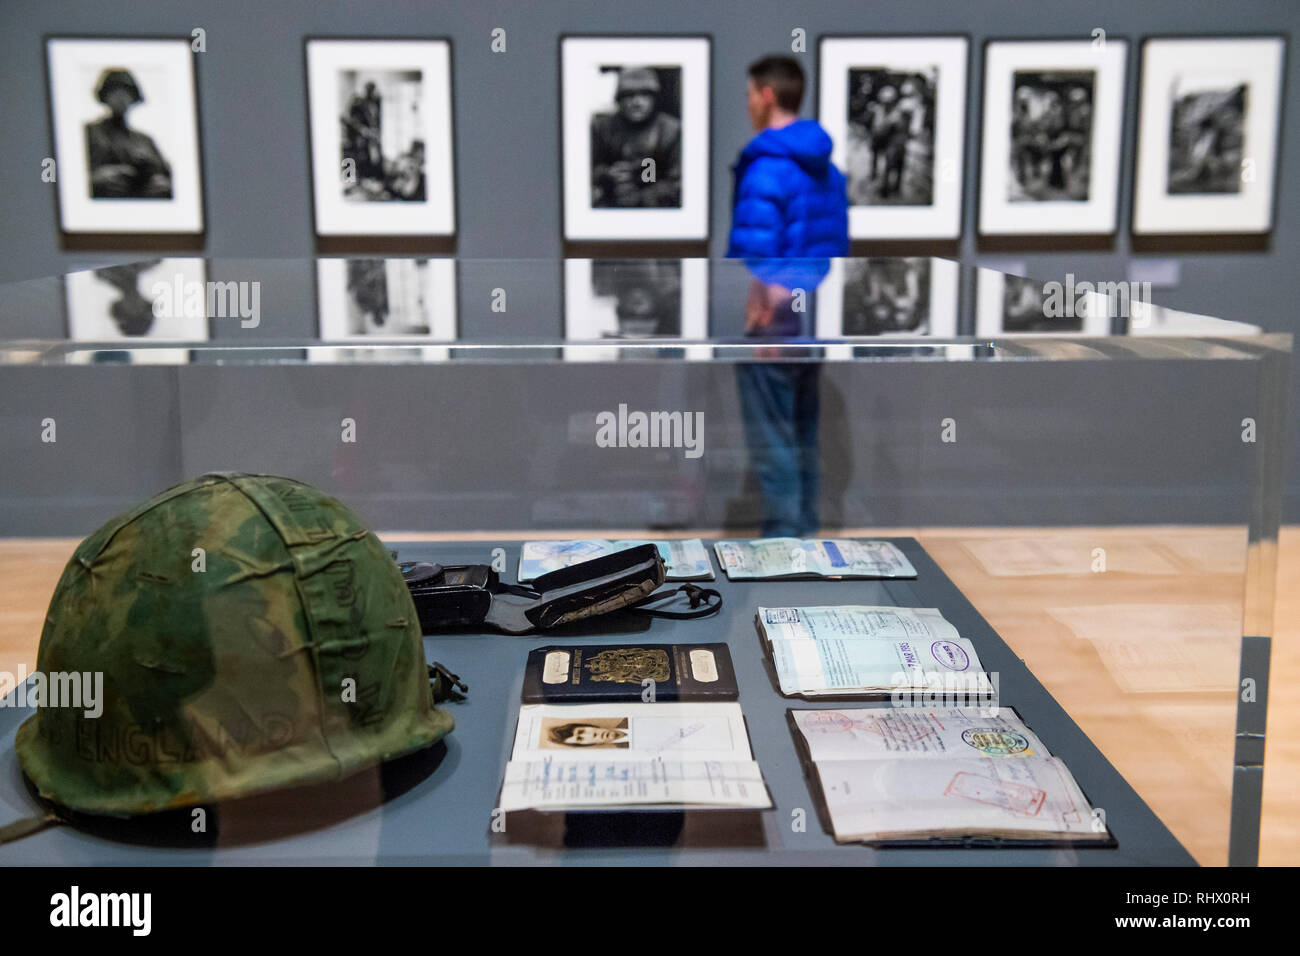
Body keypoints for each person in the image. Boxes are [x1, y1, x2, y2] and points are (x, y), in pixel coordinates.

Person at [729, 56, 848, 538]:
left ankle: (783, 553)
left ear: (767, 95)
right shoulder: (826, 169)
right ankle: (806, 544)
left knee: (774, 446)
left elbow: (760, 256)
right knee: (803, 441)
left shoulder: (765, 169)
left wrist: (768, 317)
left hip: (776, 328)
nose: (747, 105)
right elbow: (832, 252)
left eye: (749, 95)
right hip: (812, 328)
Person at [591, 67, 682, 208]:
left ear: (654, 99)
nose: (637, 102)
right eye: (629, 95)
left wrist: (643, 197)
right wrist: (607, 175)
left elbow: (679, 182)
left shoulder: (673, 130)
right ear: (619, 99)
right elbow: (584, 170)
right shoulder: (602, 128)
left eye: (645, 95)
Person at [85, 69, 173, 199]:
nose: (121, 98)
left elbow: (168, 175)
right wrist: (96, 178)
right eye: (115, 92)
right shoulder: (90, 132)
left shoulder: (145, 140)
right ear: (106, 96)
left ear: (133, 99)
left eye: (126, 93)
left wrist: (157, 180)